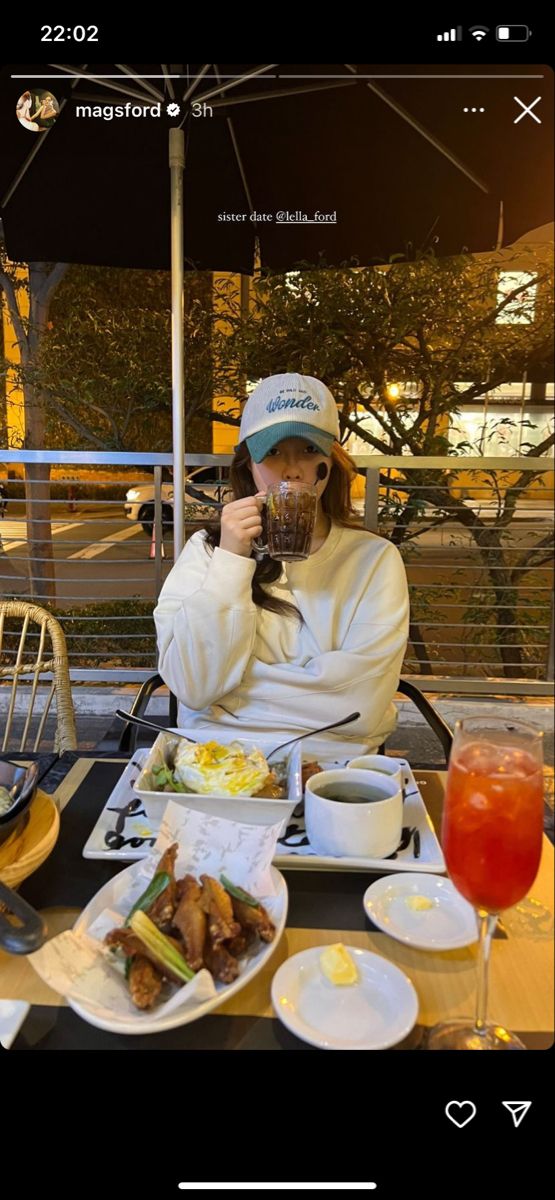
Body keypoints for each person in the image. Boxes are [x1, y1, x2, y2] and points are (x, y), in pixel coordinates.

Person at [154, 373, 410, 756]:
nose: (292, 469)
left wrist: (236, 691)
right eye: (273, 451)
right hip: (214, 759)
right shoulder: (208, 551)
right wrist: (232, 559)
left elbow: (362, 704)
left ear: (331, 461)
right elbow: (193, 687)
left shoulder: (373, 560)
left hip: (329, 765)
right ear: (249, 467)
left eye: (308, 449)